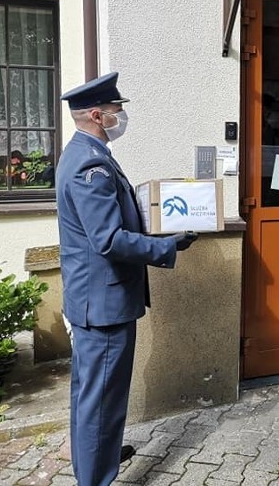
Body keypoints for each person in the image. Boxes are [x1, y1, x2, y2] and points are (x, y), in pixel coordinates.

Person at [56, 72, 198, 486]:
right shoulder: (90, 164)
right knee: (102, 400)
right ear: (98, 115)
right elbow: (108, 239)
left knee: (92, 396)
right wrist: (167, 246)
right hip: (102, 304)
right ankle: (96, 476)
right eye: (117, 110)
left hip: (92, 299)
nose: (121, 117)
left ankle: (95, 456)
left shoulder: (84, 153)